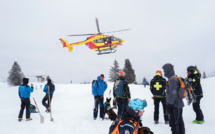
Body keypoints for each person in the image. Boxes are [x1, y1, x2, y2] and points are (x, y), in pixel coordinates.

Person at [162, 63, 185, 134]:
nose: (164, 72)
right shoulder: (173, 78)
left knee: (174, 124)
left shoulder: (172, 80)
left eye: (165, 70)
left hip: (175, 106)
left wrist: (170, 105)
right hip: (177, 105)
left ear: (168, 70)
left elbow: (173, 93)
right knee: (179, 122)